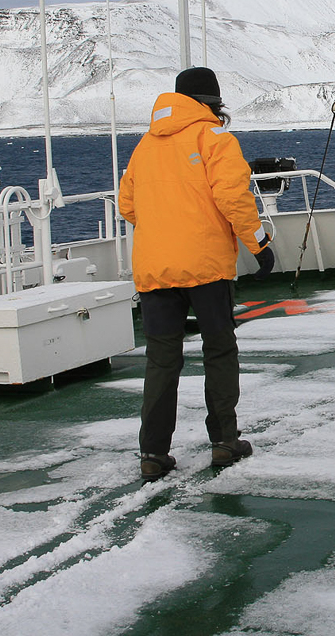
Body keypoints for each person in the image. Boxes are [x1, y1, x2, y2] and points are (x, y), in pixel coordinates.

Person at [119, 67, 275, 482]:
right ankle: (225, 441)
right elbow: (234, 199)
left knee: (161, 359)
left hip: (154, 269)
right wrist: (258, 245)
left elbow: (127, 207)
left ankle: (153, 452)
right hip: (205, 267)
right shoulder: (215, 139)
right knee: (219, 350)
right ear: (213, 103)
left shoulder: (144, 146)